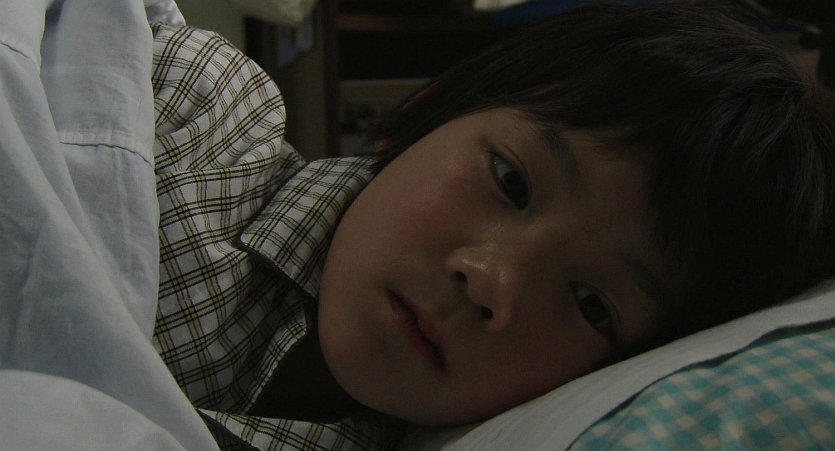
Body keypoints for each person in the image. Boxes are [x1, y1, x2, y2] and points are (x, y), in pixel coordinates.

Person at [3, 0, 833, 449]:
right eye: (510, 181)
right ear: (425, 110)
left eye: (591, 304)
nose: (490, 280)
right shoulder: (196, 118)